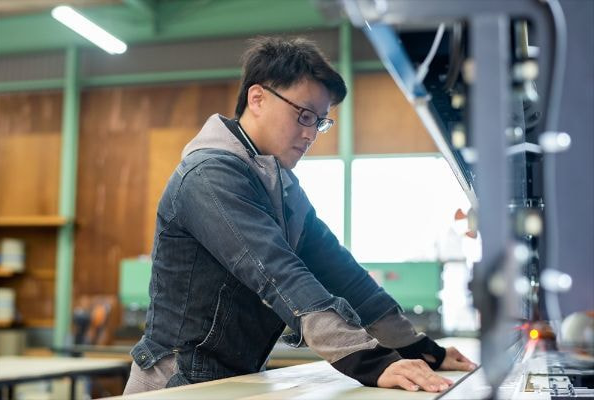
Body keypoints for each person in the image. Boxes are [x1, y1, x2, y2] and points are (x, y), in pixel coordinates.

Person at [123, 36, 476, 395]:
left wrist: (421, 350)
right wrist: (372, 363)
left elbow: (345, 275)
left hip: (235, 380)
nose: (311, 134)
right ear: (257, 98)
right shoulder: (209, 176)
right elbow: (279, 274)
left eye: (320, 122)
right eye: (303, 115)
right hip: (175, 383)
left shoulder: (281, 188)